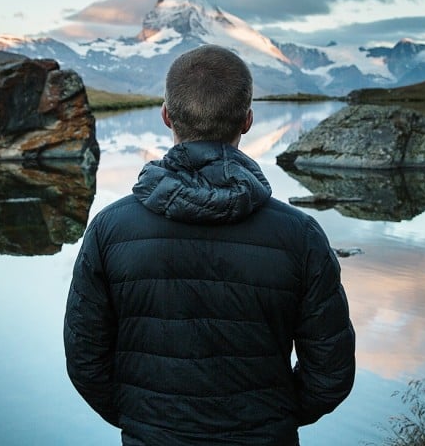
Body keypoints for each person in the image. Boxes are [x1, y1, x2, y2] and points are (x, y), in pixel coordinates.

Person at [64, 45, 355, 446]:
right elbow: (331, 373)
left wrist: (145, 419)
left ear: (166, 115)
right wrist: (273, 416)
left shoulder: (108, 230)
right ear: (248, 120)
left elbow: (85, 361)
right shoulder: (301, 236)